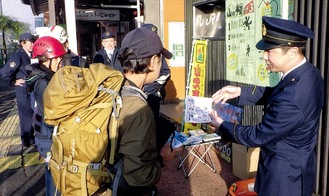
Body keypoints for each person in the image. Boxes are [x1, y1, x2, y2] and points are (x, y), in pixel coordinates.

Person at [209, 16, 324, 196]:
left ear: (292, 52)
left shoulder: (294, 95)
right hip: (293, 166)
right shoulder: (307, 72)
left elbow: (259, 135)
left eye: (269, 50)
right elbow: (276, 92)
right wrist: (240, 91)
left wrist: (222, 125)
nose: (264, 56)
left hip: (284, 178)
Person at [114, 27, 172, 195]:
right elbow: (141, 176)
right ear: (153, 61)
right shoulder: (138, 108)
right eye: (161, 60)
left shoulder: (113, 89)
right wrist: (161, 159)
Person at [25, 36, 66, 196]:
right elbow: (51, 114)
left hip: (45, 135)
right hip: (48, 138)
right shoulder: (43, 82)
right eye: (58, 58)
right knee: (55, 182)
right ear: (46, 58)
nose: (61, 61)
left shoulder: (43, 75)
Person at [0, 32, 36, 147]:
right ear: (23, 43)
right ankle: (27, 141)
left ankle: (32, 138)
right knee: (25, 115)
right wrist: (13, 82)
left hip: (30, 88)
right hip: (23, 89)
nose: (32, 44)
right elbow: (4, 73)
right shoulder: (18, 55)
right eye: (30, 42)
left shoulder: (30, 54)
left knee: (31, 113)